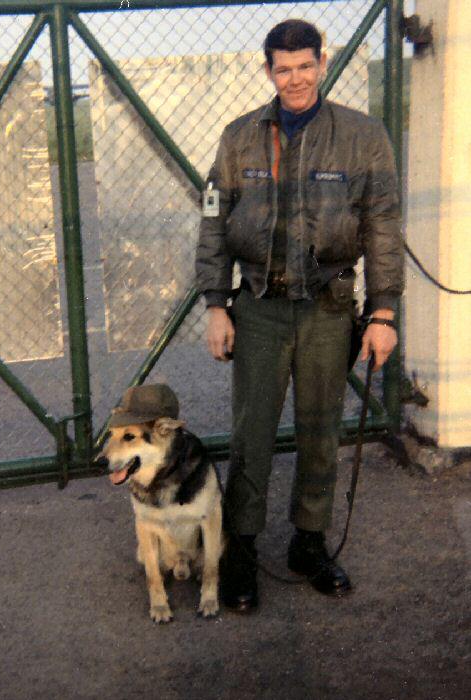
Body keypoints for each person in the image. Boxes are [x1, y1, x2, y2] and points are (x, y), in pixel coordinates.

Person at [195, 19, 404, 611]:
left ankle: (308, 544)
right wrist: (215, 305)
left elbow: (383, 224)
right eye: (283, 69)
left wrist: (383, 310)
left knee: (320, 432)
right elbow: (213, 224)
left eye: (305, 66)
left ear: (322, 63)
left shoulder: (362, 137)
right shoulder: (238, 139)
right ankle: (242, 550)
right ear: (268, 71)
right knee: (250, 434)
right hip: (257, 308)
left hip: (329, 309)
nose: (295, 79)